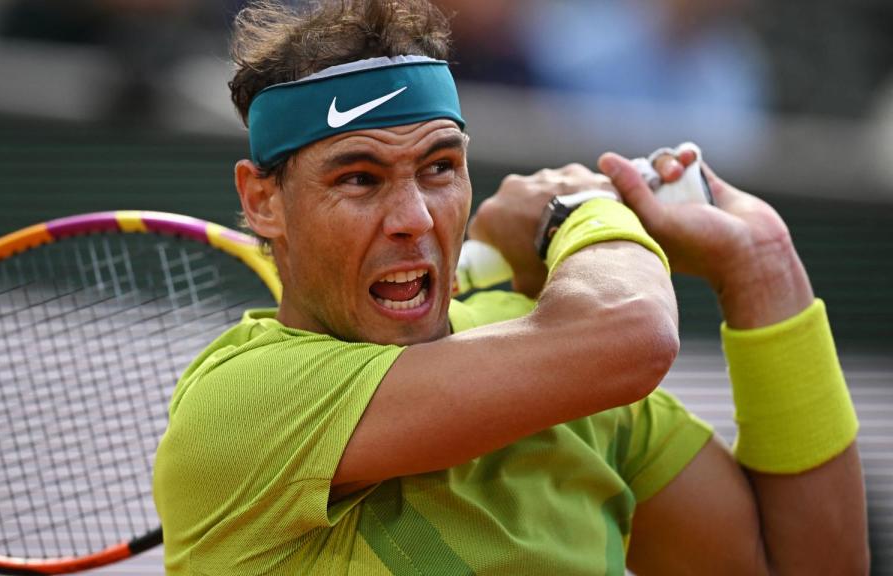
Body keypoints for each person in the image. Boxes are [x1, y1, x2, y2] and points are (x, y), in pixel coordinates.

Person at [152, 1, 868, 574]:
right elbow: (632, 330)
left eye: (439, 168)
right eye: (359, 179)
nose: (414, 219)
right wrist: (581, 210)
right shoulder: (241, 402)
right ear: (263, 201)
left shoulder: (565, 371)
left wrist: (763, 267)